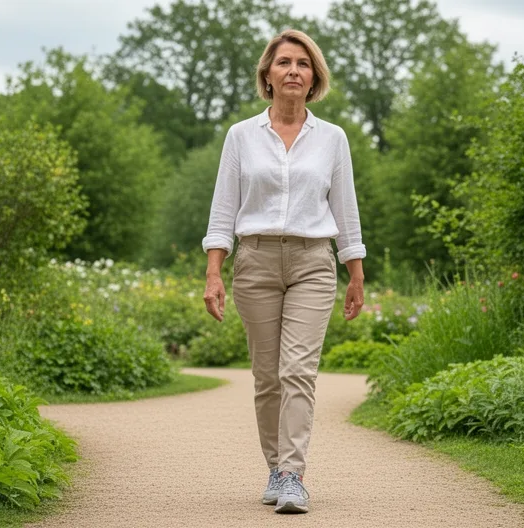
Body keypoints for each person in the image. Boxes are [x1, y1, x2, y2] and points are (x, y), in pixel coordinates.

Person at [201, 29, 366, 514]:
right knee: (267, 375)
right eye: (284, 63)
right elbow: (222, 210)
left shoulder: (333, 138)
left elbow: (347, 211)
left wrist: (354, 273)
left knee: (299, 370)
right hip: (254, 261)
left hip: (314, 261)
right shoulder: (240, 136)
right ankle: (275, 468)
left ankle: (293, 474)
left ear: (314, 78)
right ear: (267, 75)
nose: (294, 70)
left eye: (303, 64)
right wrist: (214, 273)